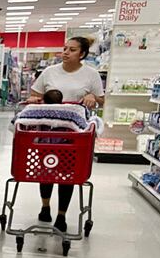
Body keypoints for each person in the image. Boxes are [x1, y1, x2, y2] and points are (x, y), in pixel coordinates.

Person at [25, 37, 104, 232]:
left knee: (67, 173)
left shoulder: (91, 74)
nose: (66, 52)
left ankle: (61, 215)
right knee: (46, 169)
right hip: (47, 130)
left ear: (82, 54)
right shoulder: (50, 72)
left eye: (72, 50)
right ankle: (45, 207)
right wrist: (34, 100)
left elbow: (101, 100)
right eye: (65, 48)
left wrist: (92, 97)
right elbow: (33, 95)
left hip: (74, 133)